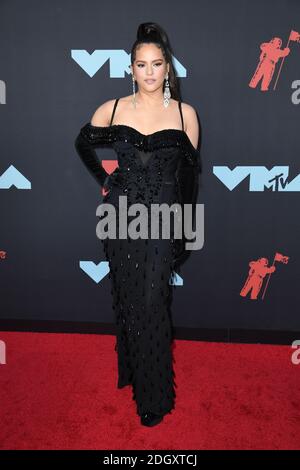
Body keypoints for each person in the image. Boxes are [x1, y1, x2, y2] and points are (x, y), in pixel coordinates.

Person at [74, 22, 201, 427]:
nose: (149, 72)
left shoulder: (185, 115)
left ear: (168, 68)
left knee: (153, 303)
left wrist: (186, 232)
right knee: (130, 301)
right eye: (141, 64)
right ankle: (131, 368)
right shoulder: (112, 109)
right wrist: (106, 180)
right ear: (131, 69)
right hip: (121, 219)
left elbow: (189, 181)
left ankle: (154, 396)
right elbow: (83, 143)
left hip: (164, 221)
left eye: (157, 64)